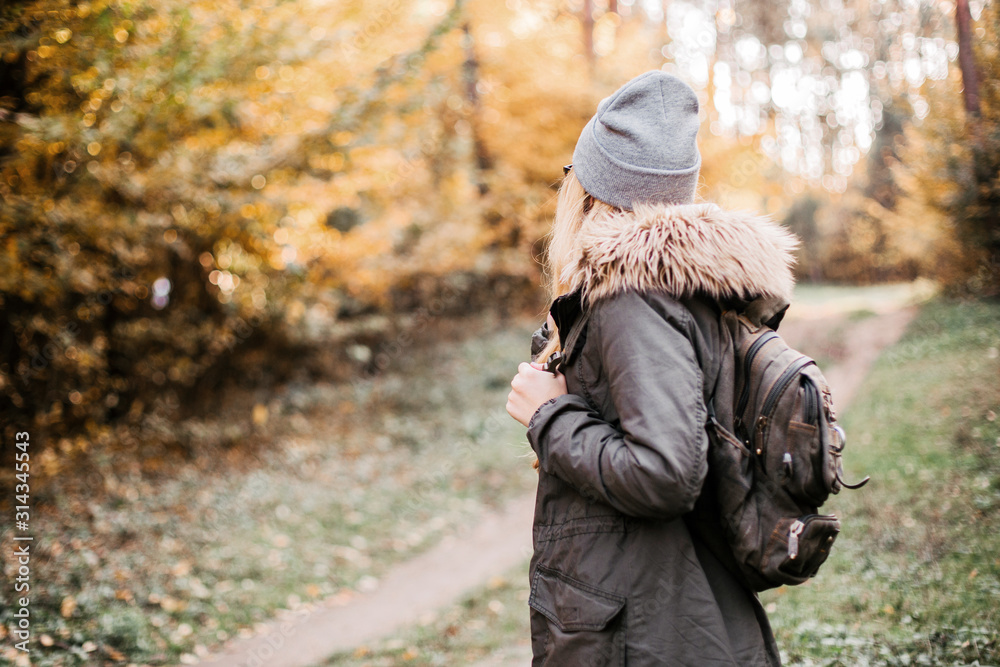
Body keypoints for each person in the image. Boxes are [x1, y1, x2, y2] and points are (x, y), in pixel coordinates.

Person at [505, 70, 799, 666]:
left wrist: (549, 414)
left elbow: (665, 472)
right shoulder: (673, 287)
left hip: (640, 629)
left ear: (588, 188)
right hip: (659, 604)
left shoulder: (631, 298)